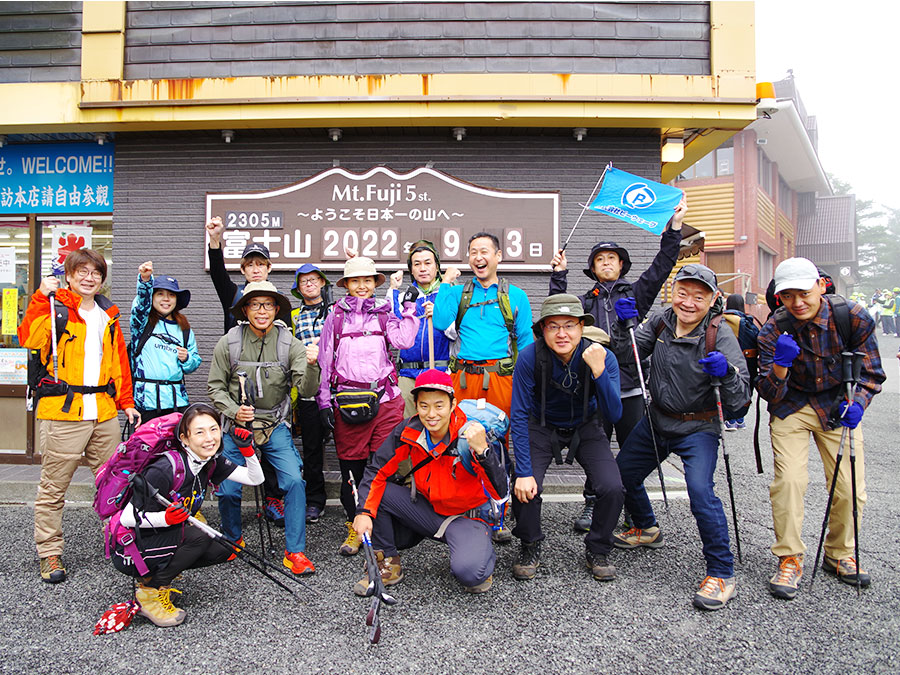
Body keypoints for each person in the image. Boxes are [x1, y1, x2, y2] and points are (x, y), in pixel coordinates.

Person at [611, 263, 749, 610]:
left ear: (712, 299)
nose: (689, 302)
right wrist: (623, 326)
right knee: (622, 474)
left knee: (701, 492)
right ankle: (646, 527)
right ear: (673, 292)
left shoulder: (720, 333)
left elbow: (740, 400)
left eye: (699, 296)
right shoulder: (661, 322)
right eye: (683, 293)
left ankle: (721, 571)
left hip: (698, 427)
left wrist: (728, 373)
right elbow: (626, 355)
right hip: (657, 420)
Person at [549, 197, 686, 532]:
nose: (606, 263)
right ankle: (593, 504)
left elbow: (662, 266)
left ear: (622, 265)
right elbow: (561, 313)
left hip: (631, 387)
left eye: (612, 258)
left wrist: (674, 229)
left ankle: (633, 513)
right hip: (595, 390)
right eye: (600, 259)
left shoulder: (635, 295)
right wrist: (559, 277)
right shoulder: (586, 302)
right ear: (593, 268)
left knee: (632, 452)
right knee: (594, 451)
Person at [757, 258, 885, 600]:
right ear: (779, 297)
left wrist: (857, 402)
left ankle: (839, 553)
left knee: (849, 487)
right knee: (789, 482)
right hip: (792, 406)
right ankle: (789, 558)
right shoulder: (773, 329)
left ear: (821, 286)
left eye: (804, 292)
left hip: (836, 405)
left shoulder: (852, 316)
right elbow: (769, 392)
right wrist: (781, 365)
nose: (797, 302)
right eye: (788, 296)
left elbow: (872, 372)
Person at [18, 248, 139, 583]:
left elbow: (119, 363)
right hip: (63, 411)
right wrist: (41, 298)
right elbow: (28, 337)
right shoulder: (56, 308)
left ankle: (117, 538)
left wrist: (126, 402)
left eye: (95, 272)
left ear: (102, 279)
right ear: (69, 276)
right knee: (54, 487)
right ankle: (49, 552)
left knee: (114, 484)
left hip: (103, 412)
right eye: (81, 271)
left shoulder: (108, 314)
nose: (89, 277)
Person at [352, 369, 508, 594]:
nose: (431, 414)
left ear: (453, 404)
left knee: (471, 575)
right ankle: (388, 561)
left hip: (464, 518)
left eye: (439, 405)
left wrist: (484, 451)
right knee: (379, 494)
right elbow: (376, 470)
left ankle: (481, 551)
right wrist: (363, 512)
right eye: (424, 406)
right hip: (427, 509)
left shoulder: (470, 437)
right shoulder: (409, 430)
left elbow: (499, 492)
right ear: (416, 406)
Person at [112, 403, 263, 627]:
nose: (210, 438)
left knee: (224, 547)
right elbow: (126, 518)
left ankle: (156, 578)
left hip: (159, 535)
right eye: (200, 432)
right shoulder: (164, 469)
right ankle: (149, 593)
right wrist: (167, 519)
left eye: (213, 429)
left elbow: (255, 479)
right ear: (184, 438)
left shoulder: (208, 461)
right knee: (199, 537)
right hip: (129, 548)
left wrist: (248, 451)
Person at [510, 295, 624, 582]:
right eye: (553, 326)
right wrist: (523, 472)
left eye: (570, 325)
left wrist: (599, 371)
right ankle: (530, 543)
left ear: (582, 328)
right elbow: (519, 414)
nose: (562, 334)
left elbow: (614, 413)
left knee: (612, 487)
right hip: (541, 425)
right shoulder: (529, 357)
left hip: (586, 426)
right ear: (542, 330)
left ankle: (598, 548)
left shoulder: (602, 356)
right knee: (524, 486)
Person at [207, 281, 316, 576]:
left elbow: (305, 389)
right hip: (236, 427)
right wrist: (232, 410)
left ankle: (295, 551)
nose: (262, 310)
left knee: (294, 480)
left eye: (268, 304)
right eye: (255, 304)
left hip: (274, 425)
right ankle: (233, 539)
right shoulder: (228, 342)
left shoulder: (289, 343)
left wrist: (313, 366)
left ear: (277, 308)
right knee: (228, 489)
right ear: (244, 309)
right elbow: (215, 388)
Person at [317, 256, 419, 557]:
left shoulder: (384, 313)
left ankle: (380, 524)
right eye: (355, 281)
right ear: (346, 285)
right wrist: (324, 401)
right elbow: (325, 360)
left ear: (375, 284)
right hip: (348, 402)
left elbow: (404, 340)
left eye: (367, 281)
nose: (362, 286)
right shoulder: (335, 316)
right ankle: (354, 523)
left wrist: (409, 308)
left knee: (383, 464)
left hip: (385, 400)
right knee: (352, 466)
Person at [206, 216, 287, 527]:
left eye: (261, 264)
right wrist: (216, 241)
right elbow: (216, 274)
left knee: (269, 442)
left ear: (268, 269)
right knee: (239, 439)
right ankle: (232, 502)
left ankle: (272, 499)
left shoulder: (278, 303)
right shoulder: (234, 296)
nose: (256, 268)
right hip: (238, 383)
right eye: (250, 264)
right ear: (242, 269)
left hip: (271, 387)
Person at [433, 231, 534, 417]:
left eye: (484, 252)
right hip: (463, 377)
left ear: (498, 256)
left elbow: (526, 342)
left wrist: (524, 382)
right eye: (473, 253)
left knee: (498, 433)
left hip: (500, 378)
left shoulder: (517, 295)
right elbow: (440, 322)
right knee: (462, 435)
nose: (478, 257)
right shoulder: (457, 293)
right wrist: (445, 282)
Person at [386, 240, 455, 417]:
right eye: (417, 264)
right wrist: (393, 289)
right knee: (407, 428)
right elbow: (392, 327)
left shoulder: (449, 293)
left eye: (427, 263)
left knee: (439, 427)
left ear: (437, 266)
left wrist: (439, 315)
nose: (422, 268)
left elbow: (457, 333)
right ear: (411, 269)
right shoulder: (404, 296)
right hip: (409, 374)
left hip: (440, 372)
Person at [130, 261, 201, 423]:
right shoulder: (141, 323)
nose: (166, 299)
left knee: (176, 447)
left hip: (177, 402)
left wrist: (187, 359)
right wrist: (146, 280)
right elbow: (141, 306)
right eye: (160, 294)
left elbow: (195, 362)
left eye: (171, 295)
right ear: (152, 297)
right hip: (145, 402)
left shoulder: (184, 328)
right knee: (145, 447)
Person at [289, 263, 332, 524]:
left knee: (351, 448)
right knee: (312, 449)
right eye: (303, 281)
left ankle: (359, 502)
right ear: (298, 288)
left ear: (322, 283)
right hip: (308, 388)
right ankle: (315, 501)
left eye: (313, 280)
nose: (309, 284)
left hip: (338, 388)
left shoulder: (336, 311)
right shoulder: (293, 317)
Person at [721, 293, 758, 431]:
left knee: (727, 385)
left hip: (727, 358)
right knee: (745, 387)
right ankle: (740, 419)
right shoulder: (746, 320)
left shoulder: (721, 319)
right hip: (747, 360)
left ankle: (729, 419)